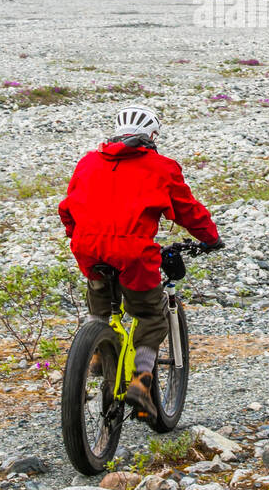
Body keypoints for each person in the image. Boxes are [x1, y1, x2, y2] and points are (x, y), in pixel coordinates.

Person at [58, 104, 222, 419]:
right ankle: (141, 381)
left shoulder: (88, 162)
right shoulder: (162, 167)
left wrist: (76, 235)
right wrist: (211, 238)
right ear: (152, 136)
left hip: (87, 246)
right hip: (132, 252)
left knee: (99, 301)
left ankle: (95, 349)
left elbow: (67, 208)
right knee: (151, 315)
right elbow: (187, 210)